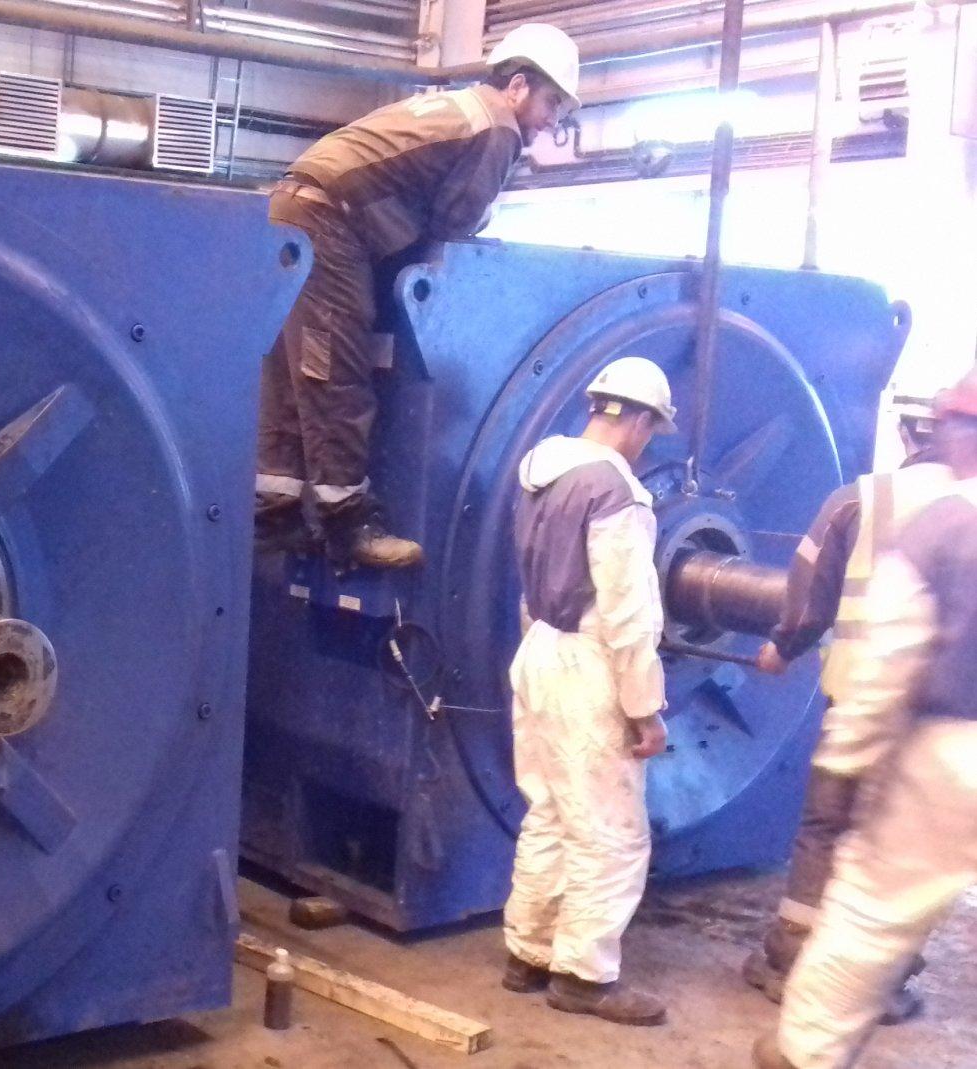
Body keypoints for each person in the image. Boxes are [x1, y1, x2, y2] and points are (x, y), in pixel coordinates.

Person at [254, 24, 580, 569]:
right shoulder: (497, 127)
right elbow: (455, 223)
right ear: (518, 85)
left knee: (294, 371)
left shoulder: (458, 106)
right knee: (335, 367)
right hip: (330, 219)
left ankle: (275, 514)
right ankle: (347, 522)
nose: (551, 121)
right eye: (551, 103)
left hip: (292, 203)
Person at [754, 369, 977, 1068]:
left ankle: (803, 1045)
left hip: (929, 735)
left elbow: (883, 646)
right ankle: (886, 984)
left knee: (867, 892)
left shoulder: (926, 516)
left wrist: (847, 758)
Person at [500, 356, 675, 1027]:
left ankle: (528, 952)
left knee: (548, 810)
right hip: (589, 663)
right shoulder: (617, 491)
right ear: (637, 419)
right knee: (612, 832)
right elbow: (630, 615)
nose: (646, 442)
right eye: (650, 430)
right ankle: (584, 975)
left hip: (540, 648)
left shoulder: (541, 470)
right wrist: (645, 709)